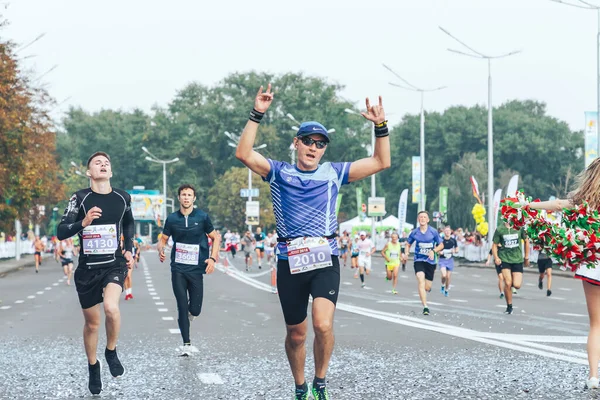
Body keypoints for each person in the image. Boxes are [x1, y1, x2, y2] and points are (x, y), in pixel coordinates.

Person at [235, 84, 390, 399]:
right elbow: (243, 153)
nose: (313, 147)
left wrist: (380, 127)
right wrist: (257, 114)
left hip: (325, 257)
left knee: (322, 324)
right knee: (296, 334)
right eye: (308, 141)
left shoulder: (334, 173)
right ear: (296, 144)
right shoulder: (278, 172)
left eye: (320, 144)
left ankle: (320, 382)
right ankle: (300, 386)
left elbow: (380, 162)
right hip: (289, 260)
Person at [57, 151, 135, 396]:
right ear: (89, 172)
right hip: (88, 269)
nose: (103, 165)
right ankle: (93, 366)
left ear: (110, 172)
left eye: (106, 163)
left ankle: (111, 350)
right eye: (97, 163)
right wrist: (83, 222)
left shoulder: (123, 197)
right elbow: (61, 231)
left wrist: (130, 248)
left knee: (111, 308)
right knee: (92, 324)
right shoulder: (79, 198)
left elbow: (129, 223)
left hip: (114, 263)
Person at [527, 158, 600, 388]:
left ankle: (593, 376)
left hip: (593, 265)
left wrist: (526, 206)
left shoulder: (582, 201)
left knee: (596, 325)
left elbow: (557, 204)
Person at [157, 184, 220, 356]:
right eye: (183, 194)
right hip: (178, 268)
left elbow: (215, 238)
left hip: (196, 268)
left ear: (194, 198)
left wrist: (212, 259)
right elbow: (163, 239)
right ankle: (186, 344)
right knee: (182, 306)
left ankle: (189, 316)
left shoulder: (202, 217)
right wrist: (161, 249)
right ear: (179, 197)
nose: (186, 197)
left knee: (195, 309)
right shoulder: (172, 219)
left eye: (189, 195)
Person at [403, 211, 444, 315]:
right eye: (420, 217)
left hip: (430, 261)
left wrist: (433, 251)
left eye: (424, 217)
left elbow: (441, 245)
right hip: (419, 260)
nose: (422, 219)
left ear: (428, 220)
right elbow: (408, 244)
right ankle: (425, 306)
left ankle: (426, 290)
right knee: (421, 280)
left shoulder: (433, 232)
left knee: (427, 287)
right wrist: (407, 252)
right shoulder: (414, 232)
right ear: (418, 219)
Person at [492, 222, 530, 314]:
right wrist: (496, 257)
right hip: (504, 259)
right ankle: (509, 306)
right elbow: (494, 245)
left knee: (517, 285)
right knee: (508, 283)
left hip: (517, 259)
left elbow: (526, 241)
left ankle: (509, 287)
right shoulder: (500, 229)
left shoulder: (519, 227)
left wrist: (526, 257)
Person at [438, 226, 458, 297]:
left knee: (448, 277)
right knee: (444, 275)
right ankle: (443, 285)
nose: (447, 232)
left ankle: (446, 290)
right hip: (442, 260)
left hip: (450, 260)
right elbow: (436, 249)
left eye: (448, 231)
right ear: (444, 232)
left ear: (450, 232)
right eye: (446, 231)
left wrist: (454, 251)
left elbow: (457, 249)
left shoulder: (453, 240)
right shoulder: (441, 240)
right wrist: (439, 252)